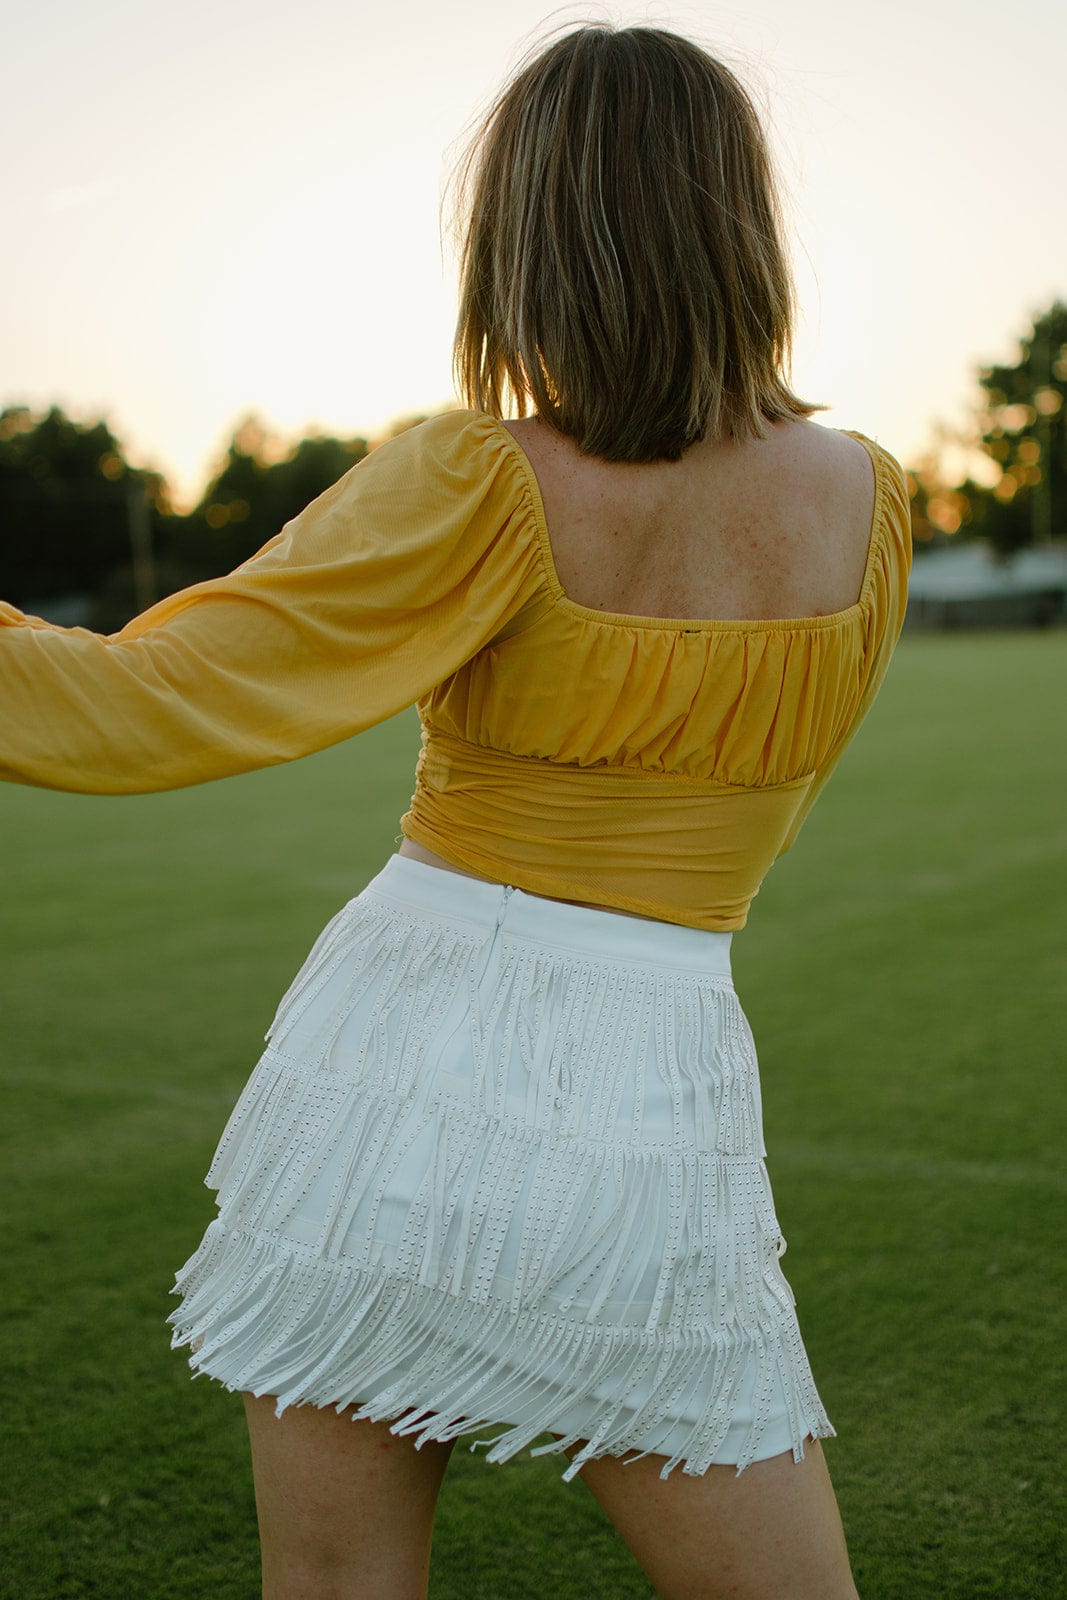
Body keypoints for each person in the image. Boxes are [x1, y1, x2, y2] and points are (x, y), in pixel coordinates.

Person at [0, 22, 911, 1600]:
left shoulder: (474, 479)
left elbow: (151, 700)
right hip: (654, 1072)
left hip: (394, 1061)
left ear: (524, 239)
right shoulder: (869, 502)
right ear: (742, 227)